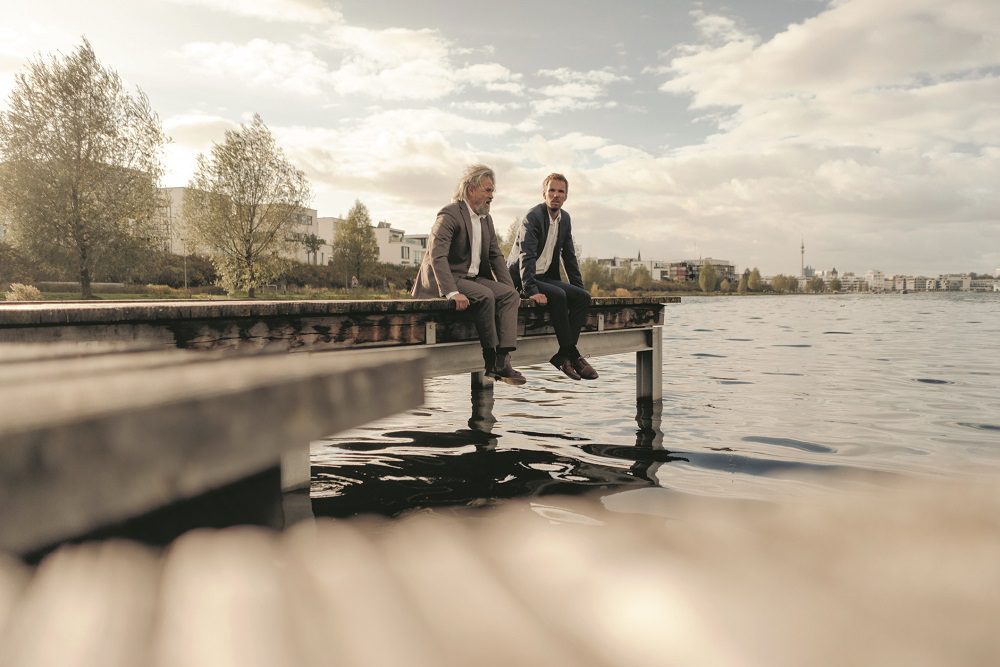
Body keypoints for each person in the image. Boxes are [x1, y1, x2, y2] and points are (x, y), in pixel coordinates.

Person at [411, 164, 525, 385]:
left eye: (492, 191)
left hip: (471, 278)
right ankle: (490, 359)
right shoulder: (450, 214)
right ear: (471, 189)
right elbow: (437, 255)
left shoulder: (486, 219)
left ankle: (503, 360)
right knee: (485, 295)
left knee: (510, 297)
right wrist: (452, 292)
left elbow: (495, 257)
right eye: (488, 190)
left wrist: (510, 288)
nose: (492, 196)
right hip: (446, 279)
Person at [507, 173, 598, 380]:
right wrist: (531, 290)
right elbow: (525, 256)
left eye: (561, 191)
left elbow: (569, 256)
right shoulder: (533, 217)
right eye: (552, 191)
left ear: (566, 196)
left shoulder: (565, 219)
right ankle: (573, 355)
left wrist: (579, 288)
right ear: (544, 193)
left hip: (546, 276)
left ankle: (563, 356)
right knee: (558, 295)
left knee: (582, 298)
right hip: (523, 278)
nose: (556, 195)